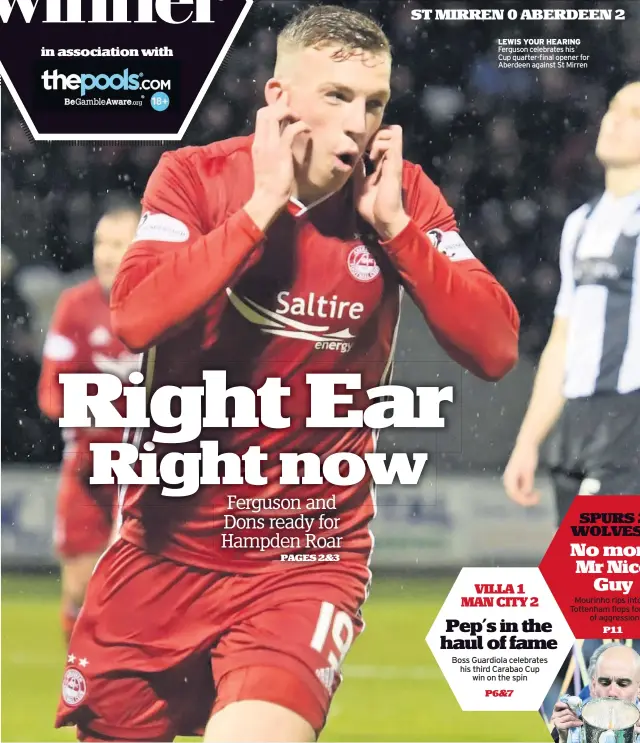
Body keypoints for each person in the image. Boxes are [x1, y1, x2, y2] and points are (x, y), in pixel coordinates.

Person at [55, 6, 519, 742]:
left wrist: (398, 231)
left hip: (305, 556)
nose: (358, 122)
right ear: (278, 98)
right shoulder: (195, 177)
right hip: (162, 548)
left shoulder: (402, 196)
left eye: (373, 104)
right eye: (336, 95)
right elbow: (136, 316)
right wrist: (261, 208)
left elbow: (494, 347)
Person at [503, 81, 640, 523]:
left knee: (595, 584)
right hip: (574, 425)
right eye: (614, 107)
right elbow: (562, 342)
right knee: (591, 586)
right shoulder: (580, 224)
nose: (616, 119)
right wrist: (528, 442)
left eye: (635, 113)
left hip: (629, 414)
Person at [38, 199, 141, 645]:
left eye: (119, 243)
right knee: (78, 589)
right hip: (86, 467)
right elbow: (50, 393)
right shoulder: (75, 306)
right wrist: (90, 414)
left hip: (148, 471)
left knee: (136, 593)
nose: (105, 253)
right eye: (101, 242)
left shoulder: (166, 305)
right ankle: (81, 685)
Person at [550, 643, 640, 742]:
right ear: (593, 687)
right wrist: (562, 738)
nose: (612, 692)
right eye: (605, 683)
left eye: (623, 684)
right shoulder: (569, 726)